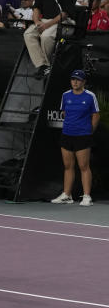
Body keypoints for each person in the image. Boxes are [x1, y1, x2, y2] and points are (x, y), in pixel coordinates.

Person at [51, 70, 99, 207]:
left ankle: (87, 196)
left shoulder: (90, 96)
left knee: (83, 166)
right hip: (67, 135)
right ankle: (67, 195)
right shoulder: (65, 95)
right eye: (73, 79)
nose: (75, 82)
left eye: (78, 80)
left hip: (83, 136)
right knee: (68, 166)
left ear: (83, 82)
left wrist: (89, 131)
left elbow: (95, 116)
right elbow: (65, 113)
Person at [26, 0, 76, 78]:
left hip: (63, 21)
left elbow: (65, 12)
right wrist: (37, 22)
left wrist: (46, 26)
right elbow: (36, 7)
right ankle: (43, 66)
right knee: (28, 34)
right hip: (44, 21)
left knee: (46, 36)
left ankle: (48, 66)